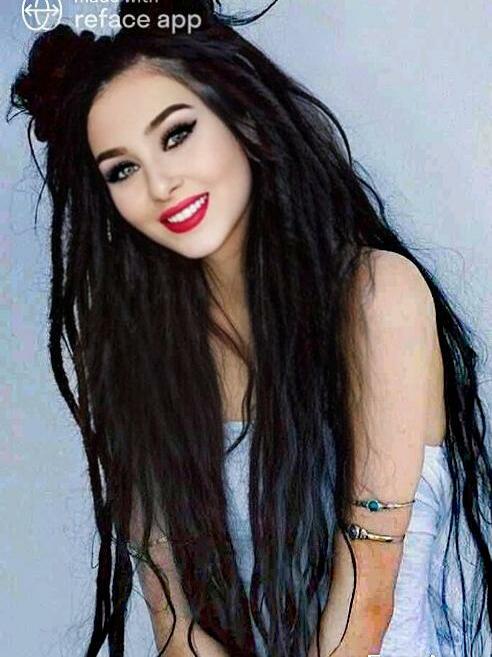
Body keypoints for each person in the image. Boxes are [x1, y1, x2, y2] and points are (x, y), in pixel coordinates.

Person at [7, 1, 491, 656]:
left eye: (175, 134)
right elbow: (174, 622)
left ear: (244, 120)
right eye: (122, 169)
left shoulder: (378, 299)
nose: (161, 183)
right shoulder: (134, 356)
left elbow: (366, 608)